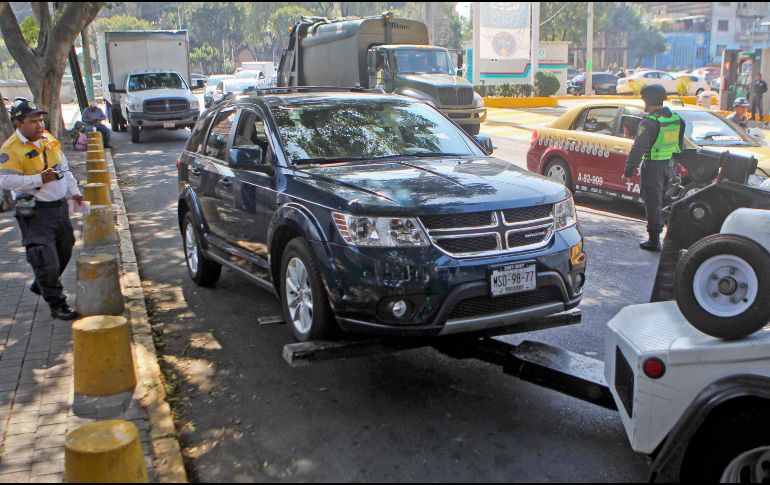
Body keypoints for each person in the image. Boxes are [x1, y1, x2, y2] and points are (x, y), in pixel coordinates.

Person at [0, 99, 83, 320]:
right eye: (32, 121)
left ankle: (42, 283)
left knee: (66, 246)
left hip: (59, 207)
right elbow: (5, 180)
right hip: (35, 212)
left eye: (40, 120)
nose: (39, 125)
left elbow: (63, 166)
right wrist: (38, 178)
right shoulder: (10, 149)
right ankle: (57, 304)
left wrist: (75, 192)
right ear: (18, 123)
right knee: (44, 258)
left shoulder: (48, 139)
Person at [622, 84, 685, 252]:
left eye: (643, 98)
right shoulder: (676, 118)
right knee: (667, 202)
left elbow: (638, 149)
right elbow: (680, 145)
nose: (643, 102)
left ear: (648, 99)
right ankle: (672, 239)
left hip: (652, 167)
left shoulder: (648, 122)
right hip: (670, 167)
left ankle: (654, 240)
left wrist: (628, 171)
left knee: (652, 202)